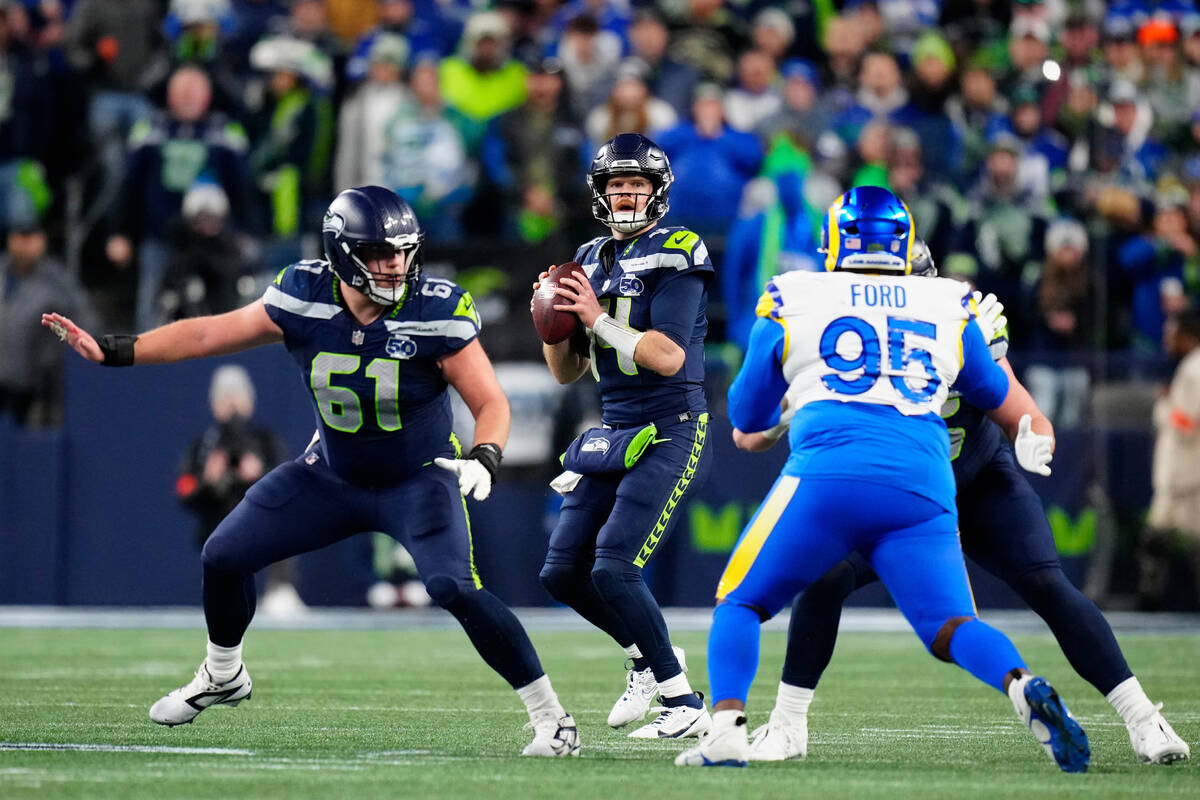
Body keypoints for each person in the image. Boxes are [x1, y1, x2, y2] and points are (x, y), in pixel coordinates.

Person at [43, 185, 580, 757]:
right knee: (223, 554)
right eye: (380, 253)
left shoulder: (436, 307)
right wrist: (117, 349)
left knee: (453, 587)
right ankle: (223, 673)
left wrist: (486, 454)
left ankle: (553, 719)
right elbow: (206, 332)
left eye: (403, 251)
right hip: (332, 473)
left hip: (418, 477)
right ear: (343, 253)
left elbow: (491, 402)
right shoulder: (302, 294)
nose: (396, 265)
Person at [676, 186, 1089, 772]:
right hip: (922, 478)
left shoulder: (794, 293)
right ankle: (1021, 684)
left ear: (835, 243)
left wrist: (791, 405)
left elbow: (745, 415)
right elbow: (995, 394)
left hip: (830, 471)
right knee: (951, 625)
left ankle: (725, 731)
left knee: (739, 601)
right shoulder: (948, 301)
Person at [746, 242, 1190, 767]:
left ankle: (1143, 718)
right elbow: (765, 423)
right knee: (823, 578)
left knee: (1046, 584)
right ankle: (788, 724)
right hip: (896, 489)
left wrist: (1032, 433)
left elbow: (1019, 406)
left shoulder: (962, 321)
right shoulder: (839, 330)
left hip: (975, 478)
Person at [533, 133, 713, 739]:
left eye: (637, 184)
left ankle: (683, 699)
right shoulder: (589, 257)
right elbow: (568, 371)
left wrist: (593, 316)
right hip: (615, 429)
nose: (626, 194)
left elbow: (666, 355)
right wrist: (550, 322)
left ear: (657, 191)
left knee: (613, 566)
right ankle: (644, 659)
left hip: (671, 426)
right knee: (561, 572)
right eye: (617, 185)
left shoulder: (679, 249)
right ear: (600, 193)